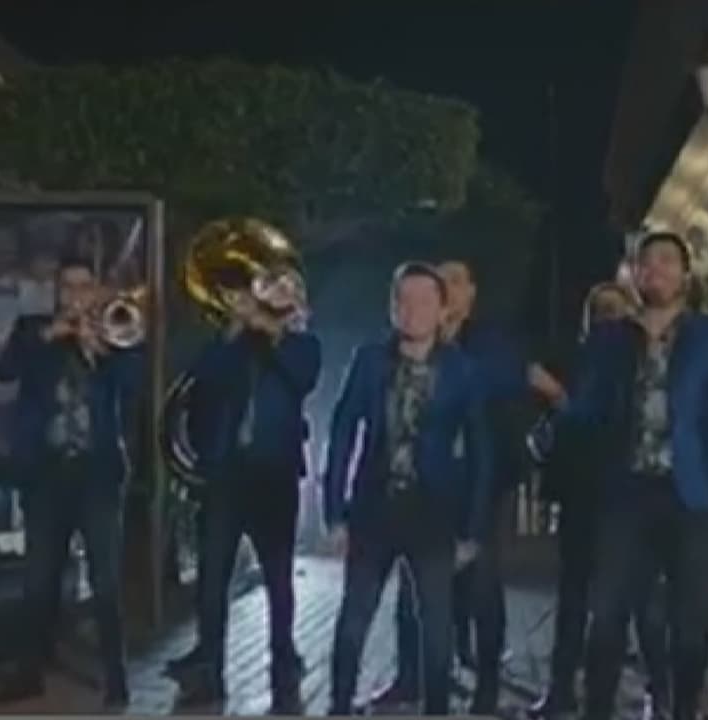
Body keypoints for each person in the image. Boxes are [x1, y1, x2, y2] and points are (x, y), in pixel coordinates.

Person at [559, 232, 708, 720]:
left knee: (691, 623)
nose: (655, 270)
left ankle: (683, 710)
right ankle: (598, 710)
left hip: (692, 494)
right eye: (645, 262)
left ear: (686, 274)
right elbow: (587, 411)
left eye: (666, 261)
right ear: (634, 275)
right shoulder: (608, 339)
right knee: (607, 615)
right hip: (626, 494)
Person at [373, 259, 563, 714]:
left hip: (482, 482)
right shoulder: (409, 341)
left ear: (472, 293)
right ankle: (409, 678)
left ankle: (487, 686)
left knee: (482, 583)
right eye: (442, 281)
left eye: (457, 281)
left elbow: (514, 379)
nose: (448, 288)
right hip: (422, 484)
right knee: (412, 586)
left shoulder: (490, 343)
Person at [324, 262, 492, 716]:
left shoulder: (462, 370)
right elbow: (342, 433)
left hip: (434, 513)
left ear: (442, 310)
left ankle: (435, 709)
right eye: (404, 300)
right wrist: (334, 513)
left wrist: (472, 530)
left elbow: (482, 451)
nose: (413, 310)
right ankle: (338, 706)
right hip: (373, 509)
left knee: (435, 626)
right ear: (392, 308)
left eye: (424, 301)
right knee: (354, 619)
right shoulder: (369, 361)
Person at [0, 255, 143, 707]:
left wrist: (100, 352)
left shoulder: (114, 331)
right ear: (56, 292)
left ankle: (116, 677)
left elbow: (134, 385)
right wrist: (51, 335)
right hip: (46, 474)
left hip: (97, 476)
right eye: (68, 287)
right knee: (39, 580)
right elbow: (5, 370)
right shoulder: (31, 329)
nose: (77, 295)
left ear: (96, 291)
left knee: (106, 580)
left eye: (84, 286)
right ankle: (29, 673)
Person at [170, 274, 320, 712]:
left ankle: (283, 670)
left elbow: (301, 378)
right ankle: (209, 673)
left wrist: (271, 329)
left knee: (278, 580)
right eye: (269, 287)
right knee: (212, 579)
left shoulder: (303, 345)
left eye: (286, 290)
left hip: (275, 476)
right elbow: (202, 379)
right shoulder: (233, 345)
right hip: (227, 476)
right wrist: (235, 329)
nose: (274, 295)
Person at [529, 281, 670, 720]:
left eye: (616, 311)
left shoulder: (642, 368)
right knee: (573, 598)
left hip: (629, 501)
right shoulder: (576, 362)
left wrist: (560, 398)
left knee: (643, 602)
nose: (608, 320)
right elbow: (558, 434)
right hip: (583, 499)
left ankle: (660, 694)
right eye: (600, 313)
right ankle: (561, 692)